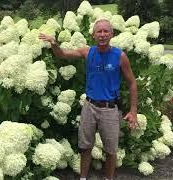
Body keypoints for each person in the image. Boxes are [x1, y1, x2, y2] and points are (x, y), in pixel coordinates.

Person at [39, 19, 138, 180]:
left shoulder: (120, 56)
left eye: (106, 31)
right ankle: (83, 178)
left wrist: (133, 111)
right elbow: (62, 54)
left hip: (110, 109)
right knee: (85, 147)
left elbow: (132, 83)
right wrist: (54, 43)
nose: (103, 34)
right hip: (89, 107)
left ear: (112, 34)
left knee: (111, 150)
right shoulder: (87, 52)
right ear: (93, 35)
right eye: (99, 31)